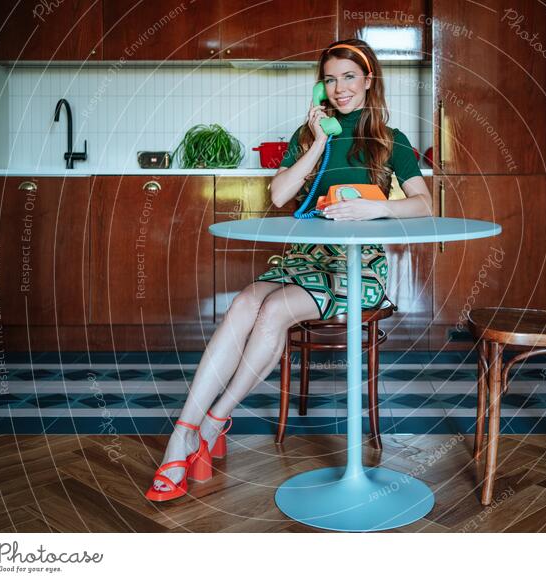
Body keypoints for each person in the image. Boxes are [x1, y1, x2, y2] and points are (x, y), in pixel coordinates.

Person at [144, 38, 433, 501]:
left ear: (368, 81)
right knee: (244, 302)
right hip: (306, 258)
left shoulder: (389, 141)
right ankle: (187, 430)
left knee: (274, 308)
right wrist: (319, 142)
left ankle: (215, 420)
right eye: (330, 79)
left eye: (349, 77)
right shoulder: (307, 137)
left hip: (360, 267)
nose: (339, 88)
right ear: (321, 87)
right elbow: (279, 196)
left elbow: (425, 203)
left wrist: (374, 212)